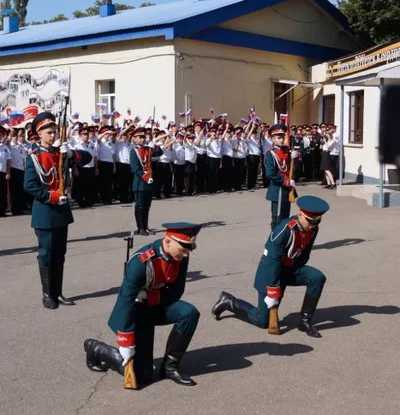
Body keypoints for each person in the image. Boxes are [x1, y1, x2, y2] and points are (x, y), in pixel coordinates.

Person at [84, 222, 202, 388]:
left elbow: (176, 291)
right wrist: (126, 342)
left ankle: (169, 367)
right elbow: (126, 301)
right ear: (168, 241)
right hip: (136, 311)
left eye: (189, 249)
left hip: (157, 304)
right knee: (142, 376)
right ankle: (97, 349)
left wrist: (149, 296)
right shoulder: (141, 262)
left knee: (189, 313)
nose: (186, 254)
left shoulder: (180, 256)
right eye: (183, 249)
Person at [211, 195, 329, 338]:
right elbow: (272, 261)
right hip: (270, 275)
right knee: (262, 321)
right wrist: (273, 291)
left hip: (289, 269)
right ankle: (229, 302)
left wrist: (293, 269)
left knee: (317, 277)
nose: (312, 225)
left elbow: (304, 254)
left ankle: (305, 321)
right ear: (300, 214)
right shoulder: (284, 229)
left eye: (316, 222)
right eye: (310, 221)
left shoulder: (312, 229)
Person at [24, 112, 92, 309]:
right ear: (39, 134)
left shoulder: (60, 152)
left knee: (60, 253)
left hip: (61, 213)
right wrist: (51, 196)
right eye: (49, 132)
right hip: (45, 212)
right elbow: (29, 185)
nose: (53, 135)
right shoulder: (35, 157)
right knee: (46, 253)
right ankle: (47, 294)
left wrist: (71, 153)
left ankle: (58, 292)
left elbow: (87, 157)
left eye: (54, 132)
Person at [130, 127, 163, 235]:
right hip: (140, 183)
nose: (142, 139)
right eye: (140, 137)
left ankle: (146, 226)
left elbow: (159, 153)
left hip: (149, 182)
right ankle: (140, 228)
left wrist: (156, 145)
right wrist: (145, 178)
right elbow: (135, 168)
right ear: (135, 139)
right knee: (139, 206)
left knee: (147, 206)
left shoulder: (148, 149)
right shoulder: (134, 151)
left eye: (144, 137)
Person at [264, 123, 298, 230]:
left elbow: (290, 169)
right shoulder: (271, 153)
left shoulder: (286, 151)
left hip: (287, 190)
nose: (282, 139)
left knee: (285, 218)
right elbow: (270, 174)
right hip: (278, 188)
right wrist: (286, 182)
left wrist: (294, 158)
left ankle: (283, 240)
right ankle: (275, 242)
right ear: (273, 139)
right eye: (279, 138)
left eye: (283, 137)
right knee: (277, 218)